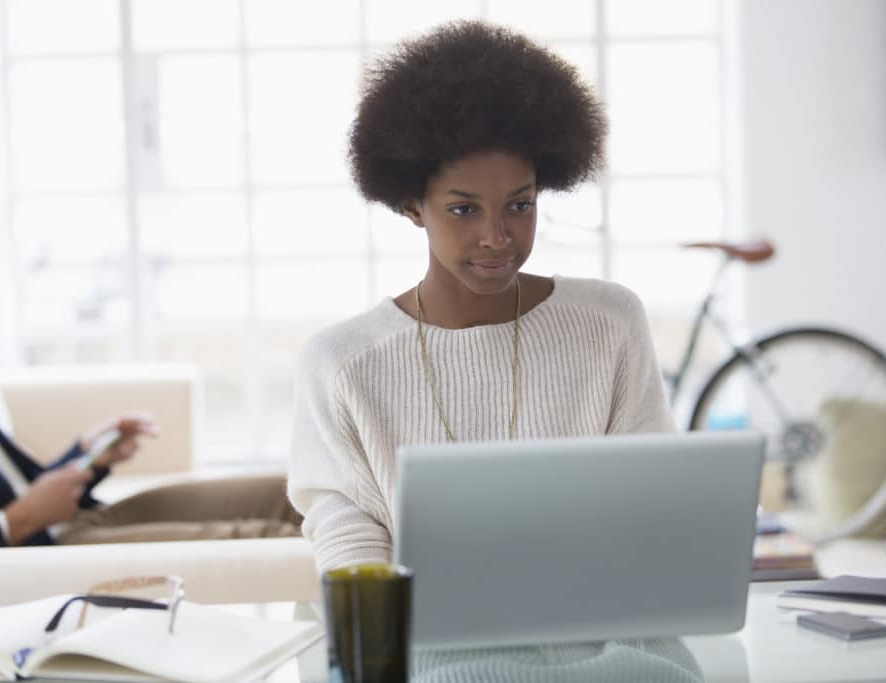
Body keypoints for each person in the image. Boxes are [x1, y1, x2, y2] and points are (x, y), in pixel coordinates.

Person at [288, 21, 674, 572]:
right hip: (430, 649)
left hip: (602, 631)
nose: (497, 236)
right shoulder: (342, 363)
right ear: (411, 205)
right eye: (464, 209)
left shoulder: (609, 323)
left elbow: (651, 501)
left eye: (520, 205)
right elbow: (349, 543)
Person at [0, 226, 301, 550]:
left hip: (81, 518)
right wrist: (20, 519)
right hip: (54, 547)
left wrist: (89, 457)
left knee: (292, 492)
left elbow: (26, 490)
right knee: (269, 540)